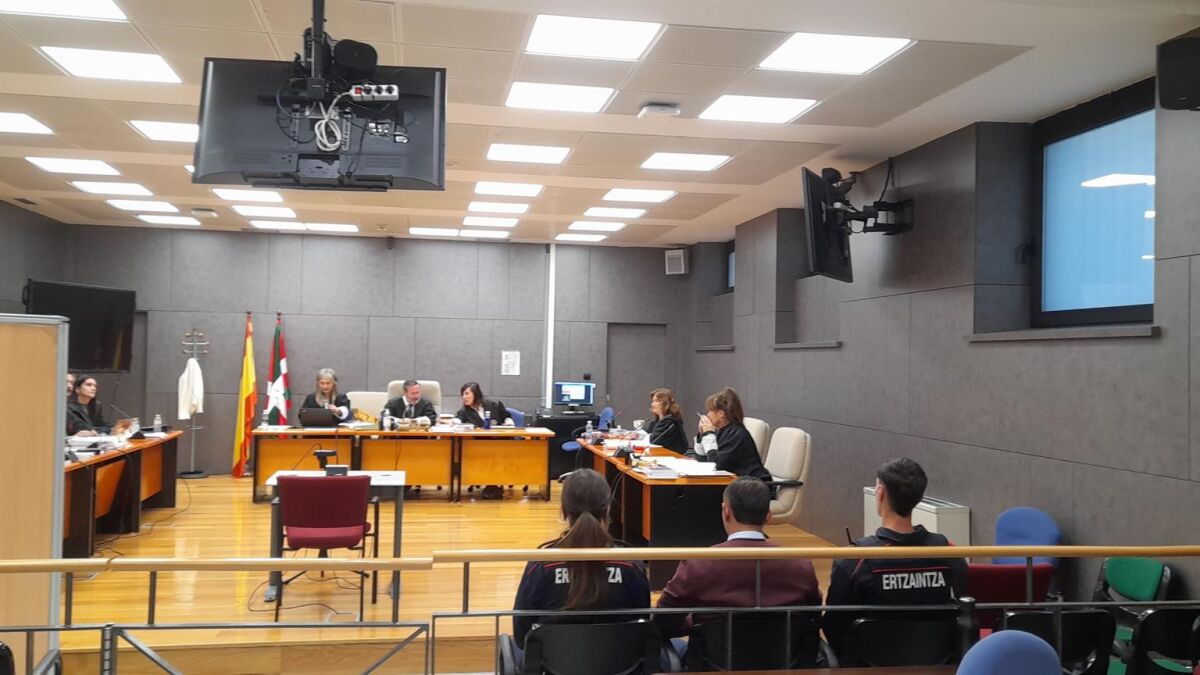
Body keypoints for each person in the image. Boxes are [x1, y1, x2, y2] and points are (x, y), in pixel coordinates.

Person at [823, 458, 968, 662]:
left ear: (880, 493)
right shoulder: (948, 552)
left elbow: (833, 626)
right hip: (937, 663)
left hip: (866, 665)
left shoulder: (853, 560)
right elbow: (964, 609)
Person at [656, 477, 820, 640]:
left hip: (713, 654)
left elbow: (663, 621)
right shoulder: (801, 564)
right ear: (768, 516)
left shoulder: (698, 563)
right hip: (787, 655)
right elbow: (812, 617)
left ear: (726, 511)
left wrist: (698, 622)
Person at [510, 469, 650, 659]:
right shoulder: (631, 565)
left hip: (552, 667)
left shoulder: (542, 565)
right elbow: (642, 624)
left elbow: (521, 635)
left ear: (563, 510)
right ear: (608, 509)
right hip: (622, 666)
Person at [692, 387, 770, 481]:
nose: (708, 414)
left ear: (720, 414)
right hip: (734, 482)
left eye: (710, 410)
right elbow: (703, 461)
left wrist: (708, 435)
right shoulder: (720, 431)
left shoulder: (737, 434)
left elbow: (716, 465)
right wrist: (702, 436)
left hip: (752, 485)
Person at [638, 388, 688, 454]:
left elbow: (654, 441)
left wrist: (643, 436)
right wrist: (637, 435)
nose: (652, 404)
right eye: (653, 401)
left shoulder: (670, 421)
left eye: (656, 401)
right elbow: (647, 431)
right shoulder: (657, 421)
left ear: (665, 404)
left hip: (671, 456)